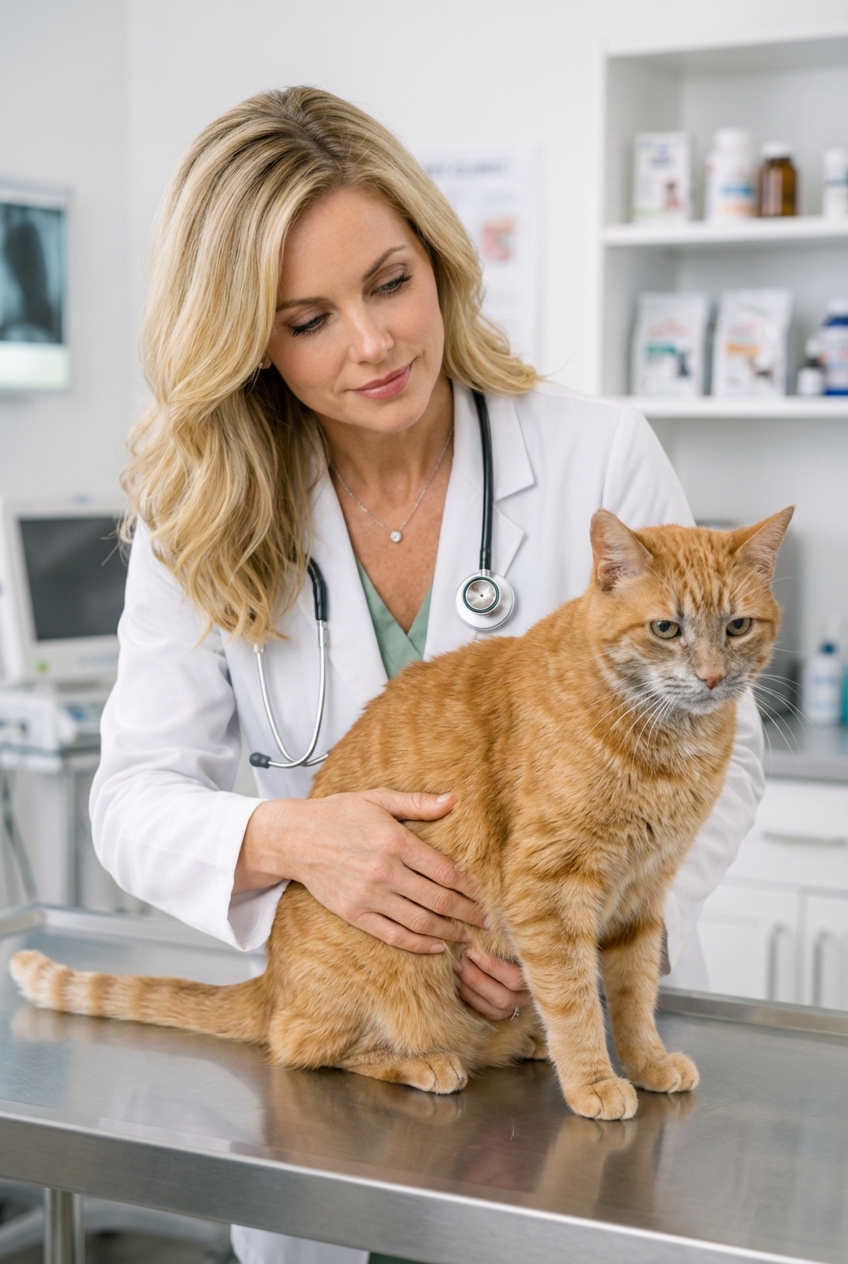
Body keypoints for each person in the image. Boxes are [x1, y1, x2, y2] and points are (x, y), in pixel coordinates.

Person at [91, 87, 764, 1264]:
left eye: (389, 282)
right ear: (244, 335)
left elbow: (726, 738)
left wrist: (568, 923)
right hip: (361, 1060)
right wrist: (295, 840)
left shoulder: (591, 450)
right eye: (307, 317)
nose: (373, 342)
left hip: (573, 1056)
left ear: (440, 263)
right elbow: (133, 797)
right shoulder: (197, 517)